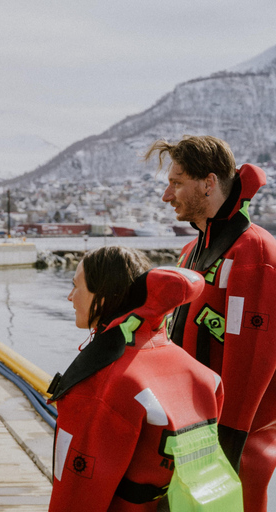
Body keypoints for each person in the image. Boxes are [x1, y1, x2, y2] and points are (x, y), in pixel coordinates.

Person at [48, 246, 240, 511]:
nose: (69, 297)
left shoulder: (102, 385)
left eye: (75, 286)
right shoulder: (204, 377)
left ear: (102, 298)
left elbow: (76, 495)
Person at [146, 135, 276, 512]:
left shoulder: (254, 251)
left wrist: (227, 448)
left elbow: (254, 359)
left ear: (209, 182)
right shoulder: (191, 252)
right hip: (192, 437)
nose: (167, 196)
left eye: (177, 182)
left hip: (232, 449)